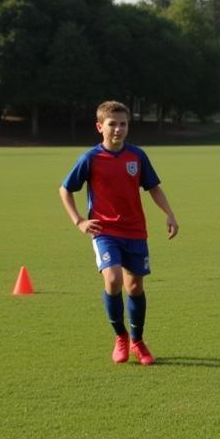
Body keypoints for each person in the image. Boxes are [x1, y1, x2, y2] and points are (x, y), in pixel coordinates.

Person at [59, 100, 179, 365]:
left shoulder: (137, 156)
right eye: (112, 124)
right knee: (113, 280)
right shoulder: (90, 158)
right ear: (100, 127)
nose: (118, 129)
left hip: (135, 231)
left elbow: (153, 188)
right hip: (104, 230)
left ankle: (138, 340)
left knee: (134, 287)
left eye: (123, 124)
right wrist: (79, 221)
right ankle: (121, 336)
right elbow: (65, 189)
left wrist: (169, 214)